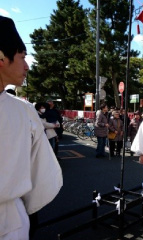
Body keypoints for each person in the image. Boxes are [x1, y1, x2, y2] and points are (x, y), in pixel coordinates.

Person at [0, 16, 62, 239]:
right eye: (22, 57)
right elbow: (40, 169)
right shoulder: (23, 111)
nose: (27, 66)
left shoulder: (24, 109)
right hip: (10, 217)